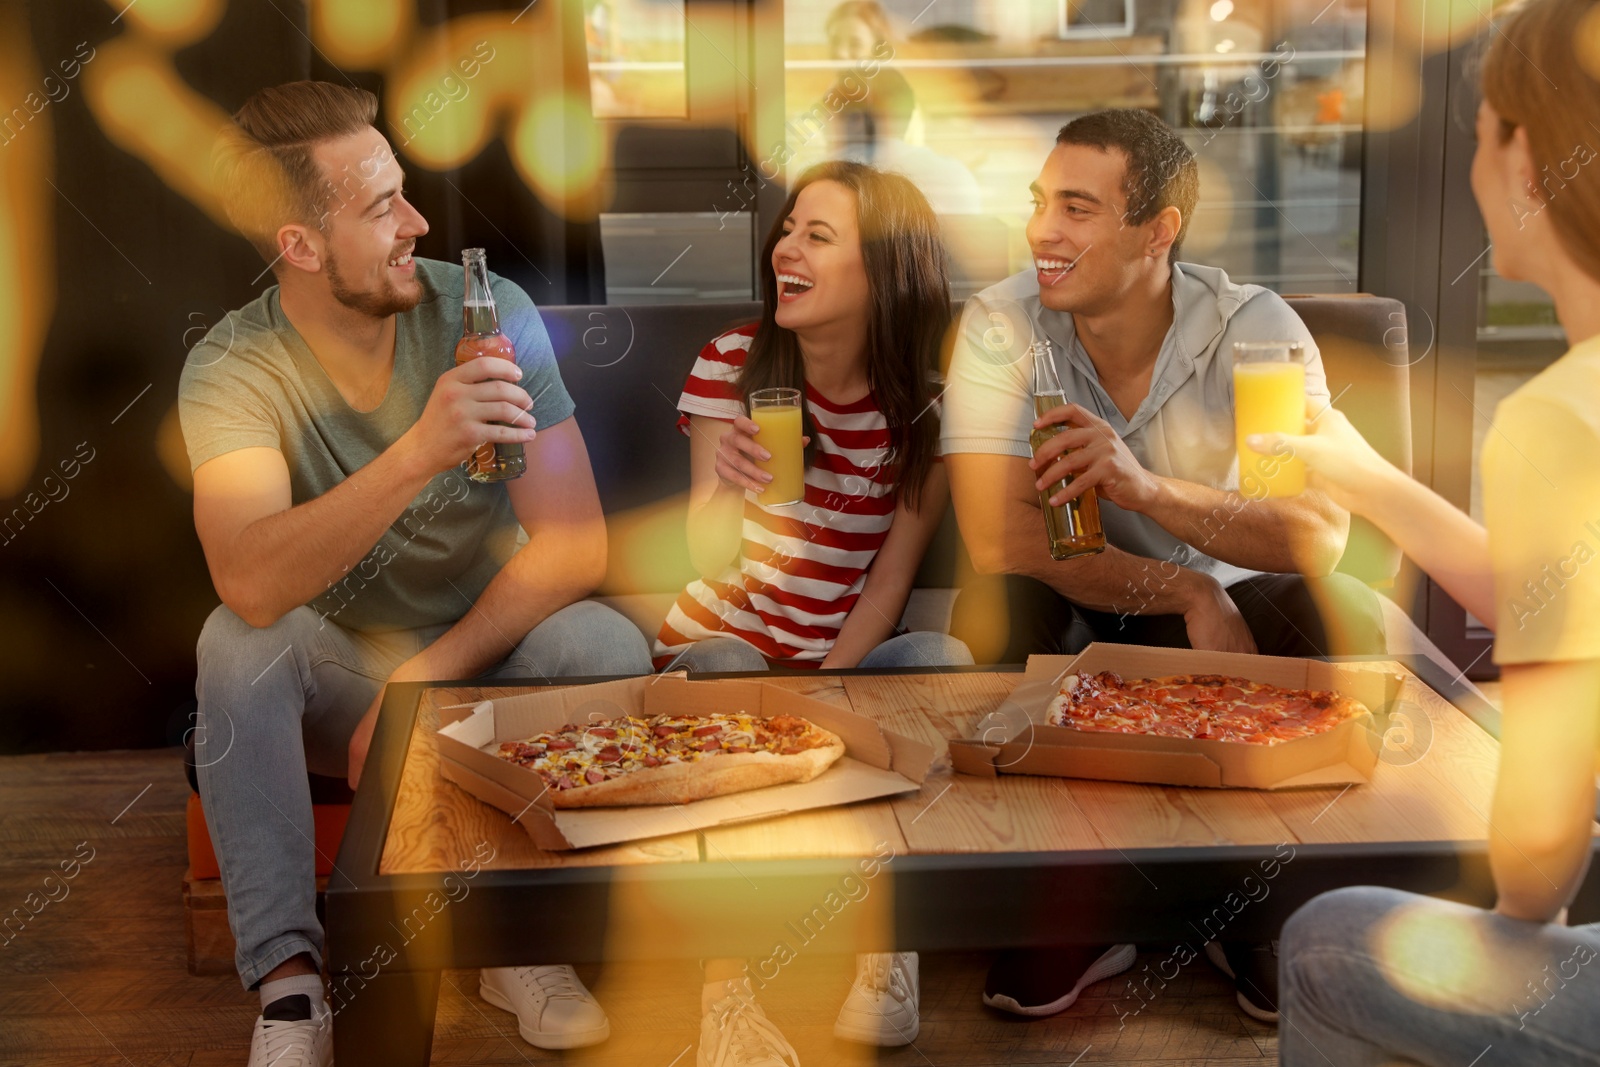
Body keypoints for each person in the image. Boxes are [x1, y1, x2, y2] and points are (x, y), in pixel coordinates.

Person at [185, 81, 651, 1067]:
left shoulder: (493, 314)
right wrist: (417, 450)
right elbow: (252, 581)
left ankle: (513, 939)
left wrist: (421, 678)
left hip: (479, 662)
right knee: (236, 645)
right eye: (380, 207)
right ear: (299, 246)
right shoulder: (234, 368)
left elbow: (573, 542)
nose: (418, 221)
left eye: (405, 191)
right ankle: (290, 989)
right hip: (340, 673)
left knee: (605, 639)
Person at [940, 108, 1386, 1023]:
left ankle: (1260, 904)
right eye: (1039, 203)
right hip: (1094, 596)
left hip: (1230, 602)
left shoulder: (1252, 331)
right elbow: (999, 536)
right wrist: (1178, 589)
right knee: (996, 603)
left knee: (1336, 607)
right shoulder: (1001, 325)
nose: (1042, 231)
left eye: (1077, 208)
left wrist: (1152, 492)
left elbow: (1314, 532)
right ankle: (1062, 909)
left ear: (1158, 230)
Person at [1265, 2, 1600, 1061]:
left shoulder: (1557, 415)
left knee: (1329, 939)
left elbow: (1540, 852)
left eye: (1481, 132)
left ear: (1530, 157)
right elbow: (1552, 591)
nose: (1469, 169)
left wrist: (1508, 925)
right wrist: (1369, 478)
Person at [652, 160, 972, 1062]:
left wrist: (828, 690)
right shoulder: (731, 362)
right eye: (787, 230)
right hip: (723, 646)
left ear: (885, 270)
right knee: (726, 671)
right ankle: (728, 983)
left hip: (841, 653)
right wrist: (725, 484)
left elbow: (887, 583)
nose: (784, 247)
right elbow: (703, 559)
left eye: (817, 236)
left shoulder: (926, 410)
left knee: (937, 658)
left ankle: (886, 941)